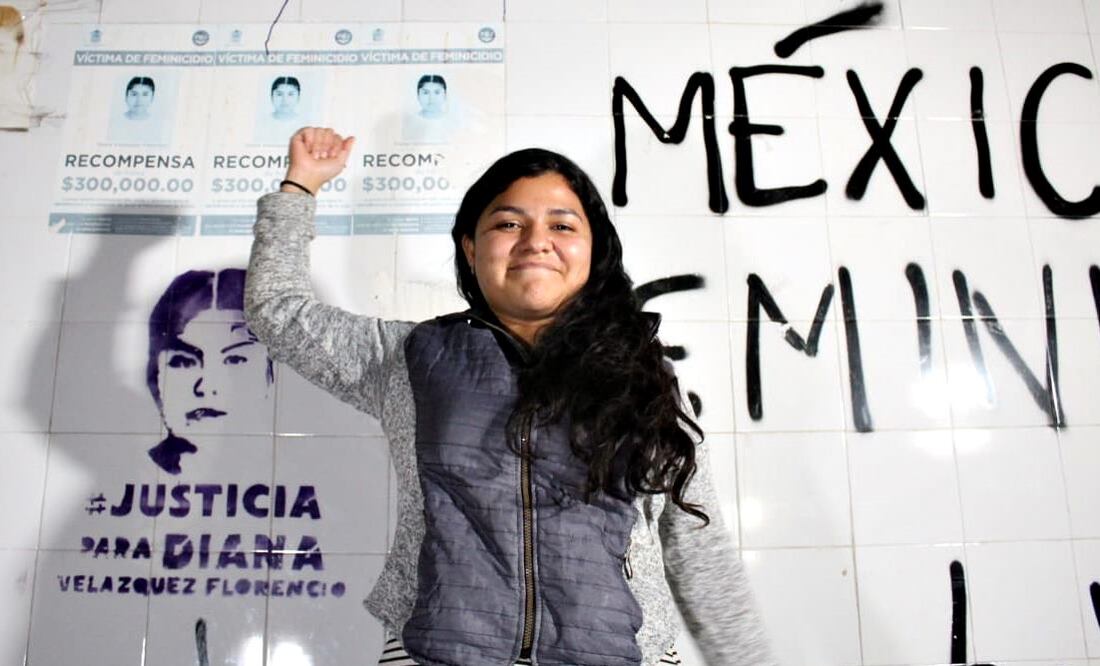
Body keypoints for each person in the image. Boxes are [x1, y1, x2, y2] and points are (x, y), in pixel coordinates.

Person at [245, 127, 775, 666]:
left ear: (593, 252)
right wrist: (300, 187)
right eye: (508, 223)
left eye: (562, 225)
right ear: (471, 248)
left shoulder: (642, 375)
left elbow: (696, 543)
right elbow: (277, 311)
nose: (535, 240)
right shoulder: (406, 355)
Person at [146, 268, 274, 475]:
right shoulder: (125, 470)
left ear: (270, 373)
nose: (207, 387)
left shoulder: (291, 469)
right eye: (183, 362)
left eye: (234, 360)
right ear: (156, 374)